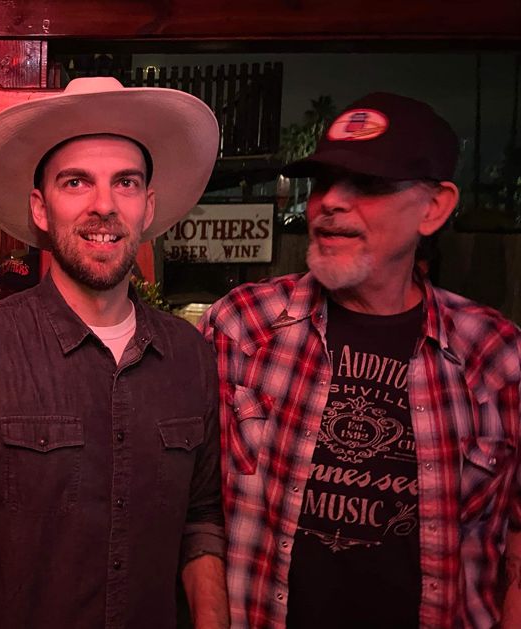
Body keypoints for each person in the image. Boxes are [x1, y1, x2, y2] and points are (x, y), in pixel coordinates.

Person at [0, 77, 229, 629]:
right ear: (41, 209)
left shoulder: (189, 356)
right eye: (76, 182)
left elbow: (200, 517)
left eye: (126, 183)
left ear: (147, 207)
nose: (104, 205)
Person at [200, 92, 521, 628]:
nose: (330, 202)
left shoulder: (497, 356)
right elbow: (193, 508)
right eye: (324, 182)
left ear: (434, 208)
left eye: (368, 185)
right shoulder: (242, 325)